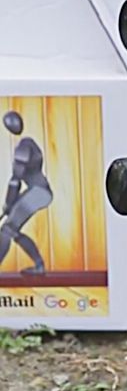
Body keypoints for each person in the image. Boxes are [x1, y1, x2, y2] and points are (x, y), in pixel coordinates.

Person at [0, 111, 53, 273]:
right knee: (12, 231)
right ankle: (39, 265)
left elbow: (15, 180)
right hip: (38, 191)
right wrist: (9, 205)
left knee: (7, 231)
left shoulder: (23, 147)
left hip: (38, 192)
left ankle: (39, 266)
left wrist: (8, 204)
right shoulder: (29, 142)